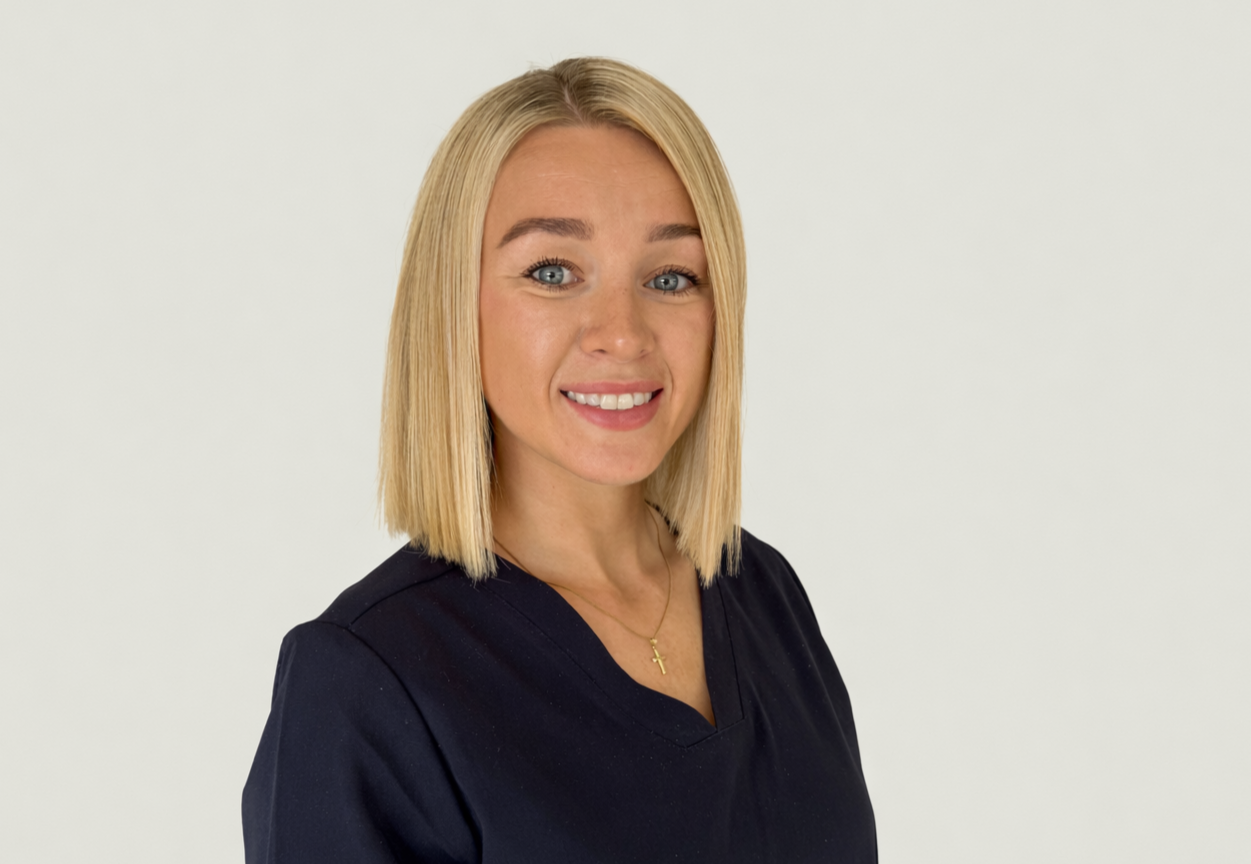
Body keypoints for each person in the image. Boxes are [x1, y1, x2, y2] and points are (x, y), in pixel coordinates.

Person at [242, 57, 877, 863]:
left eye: (671, 277)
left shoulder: (764, 596)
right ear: (454, 307)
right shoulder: (368, 681)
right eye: (552, 272)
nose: (622, 331)